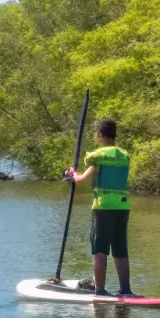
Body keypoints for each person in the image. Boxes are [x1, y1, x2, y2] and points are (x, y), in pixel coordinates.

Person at [64, 118, 140, 298]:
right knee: (120, 249)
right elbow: (95, 172)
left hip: (103, 206)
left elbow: (81, 179)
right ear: (114, 135)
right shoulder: (124, 155)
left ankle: (100, 291)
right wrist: (78, 175)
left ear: (99, 135)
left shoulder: (97, 155)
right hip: (122, 206)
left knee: (99, 249)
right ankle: (126, 290)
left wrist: (70, 176)